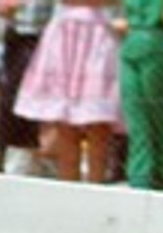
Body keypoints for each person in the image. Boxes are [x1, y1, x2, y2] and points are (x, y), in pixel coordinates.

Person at [17, 0, 122, 181]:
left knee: (98, 122)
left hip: (99, 33)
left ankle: (96, 185)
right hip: (64, 34)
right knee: (65, 122)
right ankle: (68, 185)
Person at [118, 0, 163, 188]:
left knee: (159, 114)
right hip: (131, 44)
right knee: (134, 114)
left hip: (159, 43)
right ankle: (139, 175)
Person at [0, 0, 55, 175]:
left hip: (54, 32)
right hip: (18, 31)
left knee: (52, 100)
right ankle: (22, 156)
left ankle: (46, 157)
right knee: (14, 97)